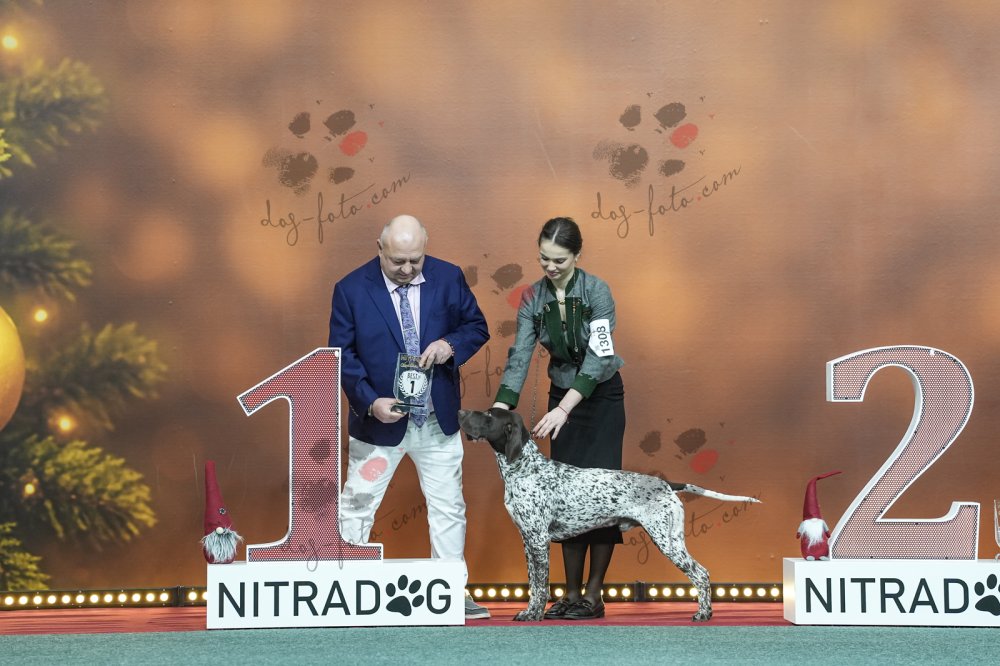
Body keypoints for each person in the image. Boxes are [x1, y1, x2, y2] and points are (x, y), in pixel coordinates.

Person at [329, 214, 491, 619]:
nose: (406, 269)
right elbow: (342, 355)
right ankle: (346, 588)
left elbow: (476, 326)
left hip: (436, 422)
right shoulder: (350, 289)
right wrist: (370, 402)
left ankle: (451, 590)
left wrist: (450, 345)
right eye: (397, 261)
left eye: (415, 260)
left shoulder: (449, 277)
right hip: (377, 426)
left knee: (448, 507)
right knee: (357, 505)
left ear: (425, 248)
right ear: (379, 249)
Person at [492, 216, 626, 620]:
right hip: (559, 401)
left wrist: (565, 408)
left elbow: (600, 357)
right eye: (543, 258)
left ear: (577, 255)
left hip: (600, 399)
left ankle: (593, 595)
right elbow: (520, 354)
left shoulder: (597, 291)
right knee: (563, 497)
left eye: (559, 260)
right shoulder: (532, 297)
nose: (550, 267)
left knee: (601, 495)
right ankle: (569, 594)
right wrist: (501, 407)